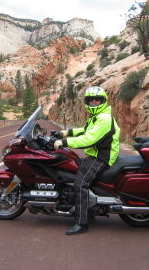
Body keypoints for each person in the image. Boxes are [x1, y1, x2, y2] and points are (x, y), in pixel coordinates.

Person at [53, 86, 120, 235]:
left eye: (98, 100)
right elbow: (84, 130)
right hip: (97, 155)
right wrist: (66, 132)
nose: (94, 102)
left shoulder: (104, 119)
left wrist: (64, 143)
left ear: (103, 101)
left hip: (101, 158)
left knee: (80, 183)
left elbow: (89, 139)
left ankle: (81, 223)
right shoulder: (97, 117)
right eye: (91, 100)